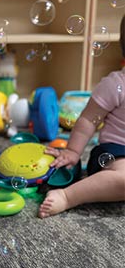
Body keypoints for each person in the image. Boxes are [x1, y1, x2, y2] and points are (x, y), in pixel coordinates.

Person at [39, 14, 125, 218]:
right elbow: (88, 120)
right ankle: (68, 196)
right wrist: (73, 151)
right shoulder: (116, 85)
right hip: (117, 153)